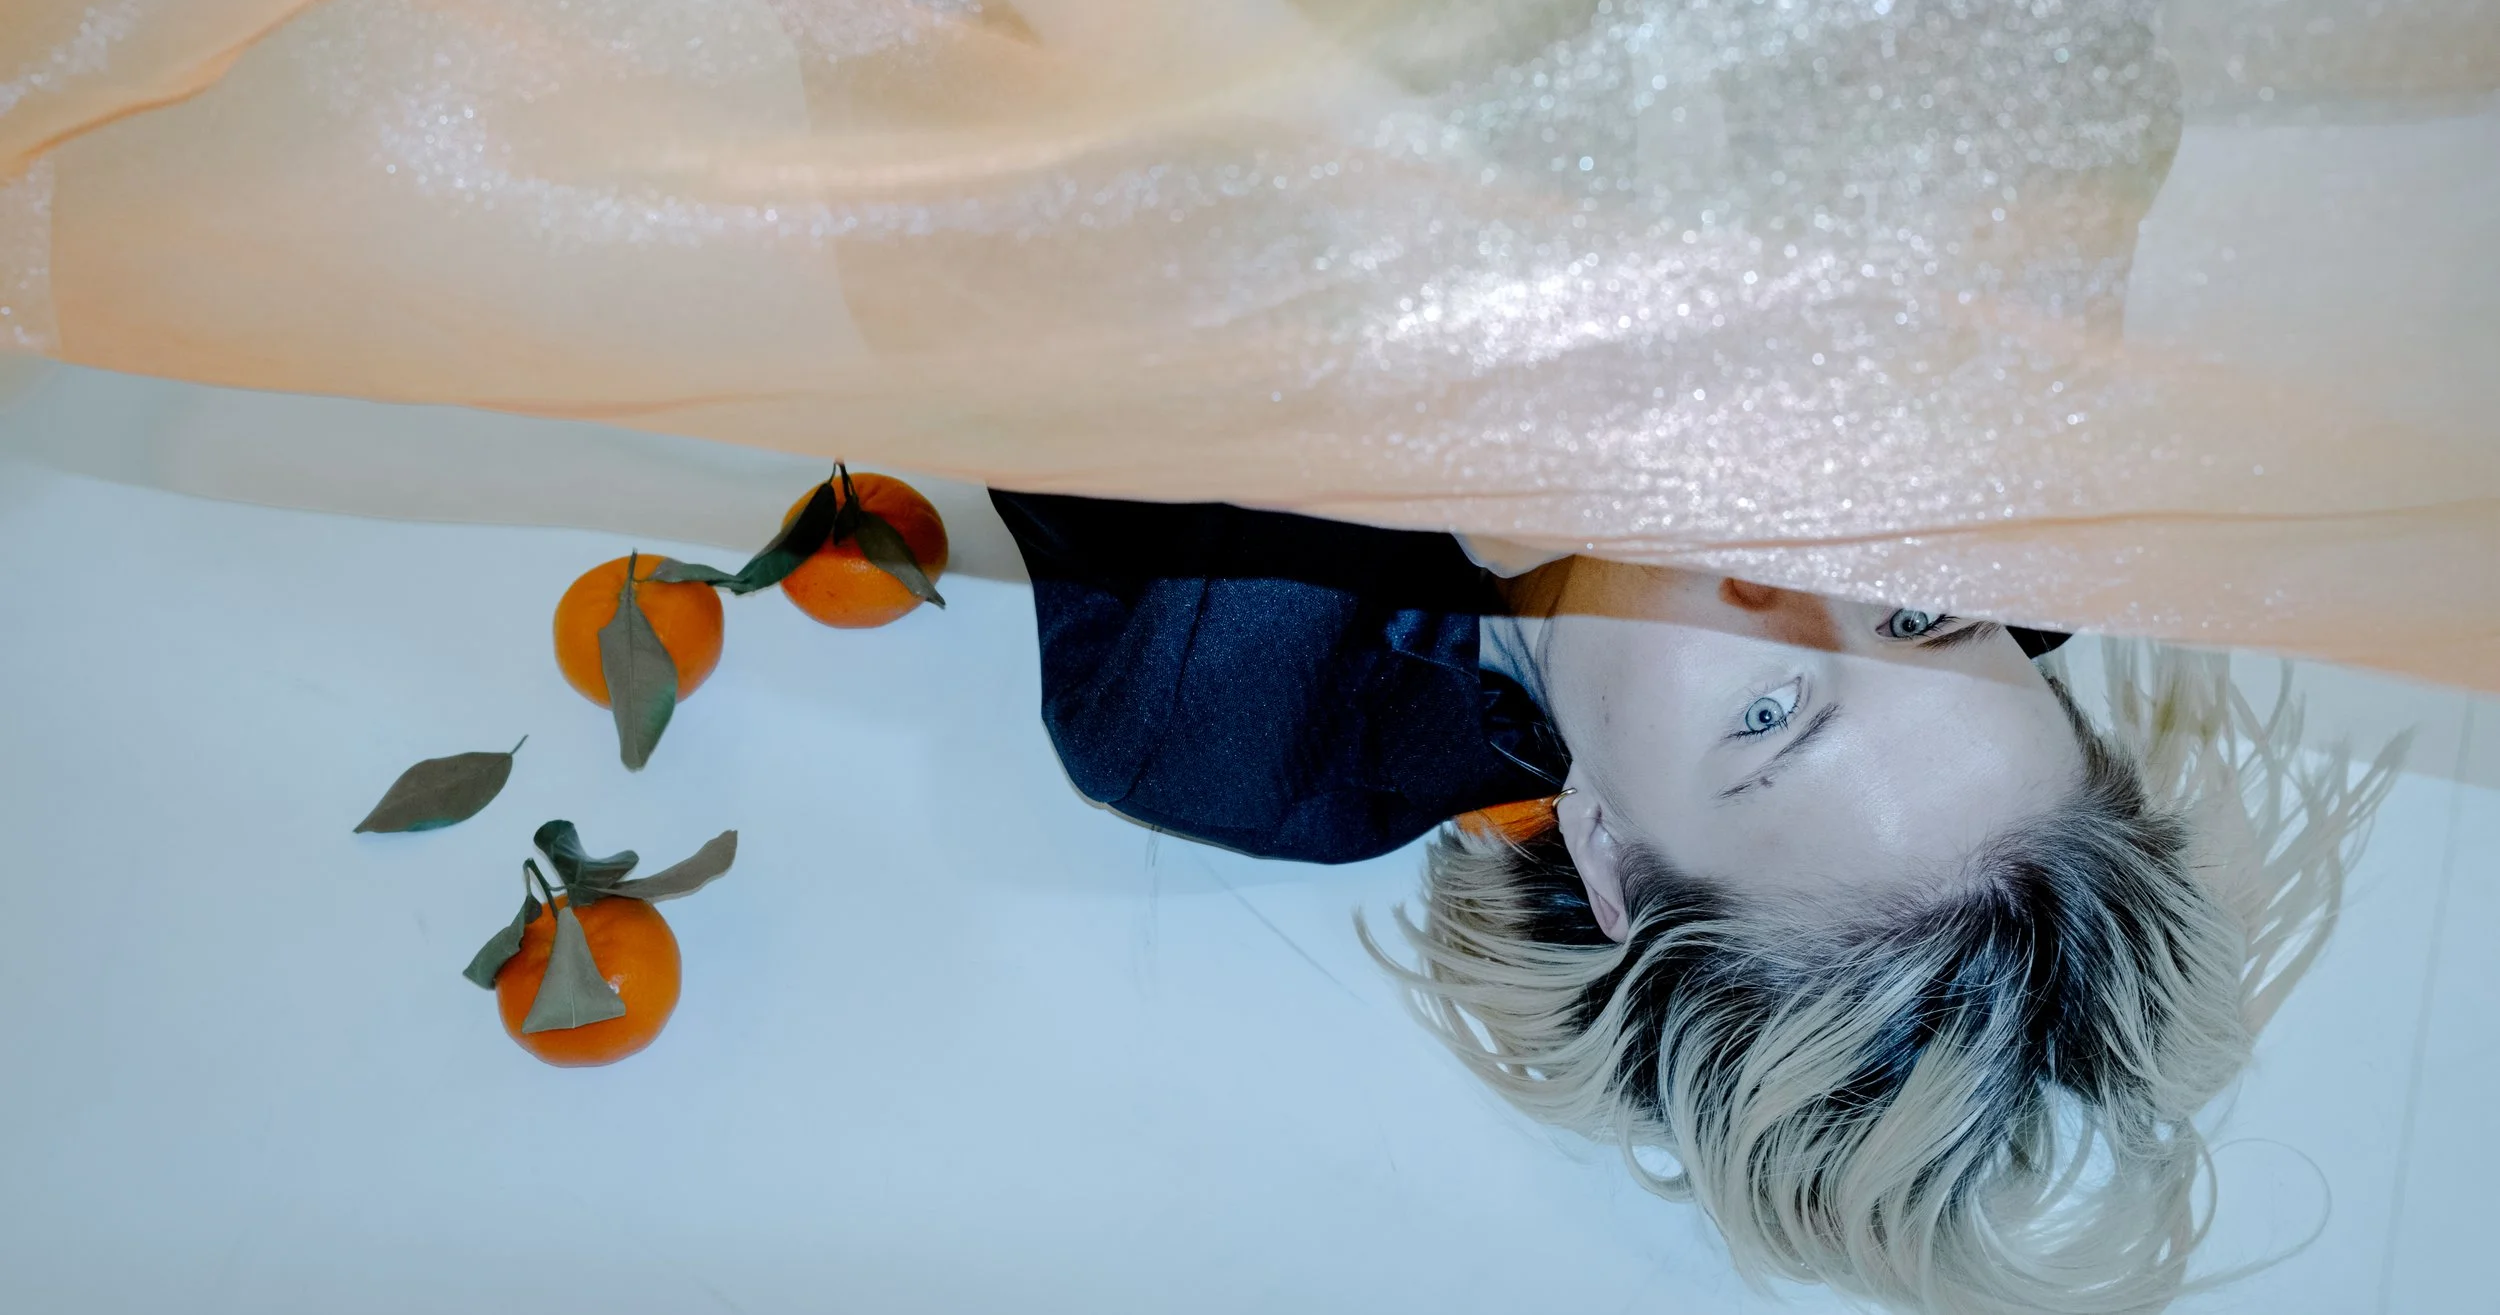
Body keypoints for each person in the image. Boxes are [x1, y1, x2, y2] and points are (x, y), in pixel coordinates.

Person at [993, 488, 2395, 1315]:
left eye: (1771, 714)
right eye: (1924, 619)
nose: (1809, 567)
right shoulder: (2001, 464)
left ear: (1608, 851)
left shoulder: (1218, 696)